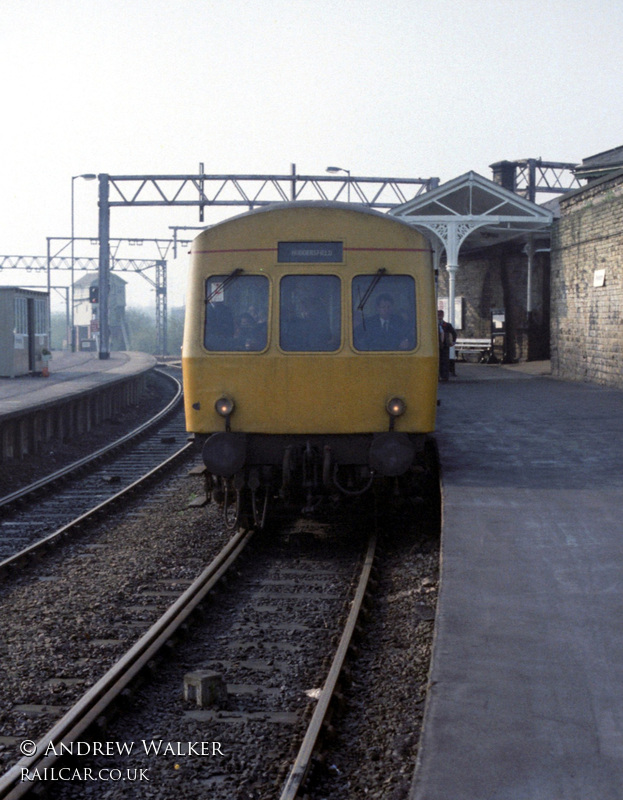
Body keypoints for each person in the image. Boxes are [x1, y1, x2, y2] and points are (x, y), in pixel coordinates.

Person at [438, 309, 456, 381]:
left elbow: (454, 333)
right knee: (438, 361)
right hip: (436, 346)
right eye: (438, 314)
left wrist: (453, 342)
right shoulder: (432, 325)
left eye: (441, 314)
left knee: (445, 361)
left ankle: (444, 376)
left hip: (444, 346)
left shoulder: (447, 325)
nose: (440, 316)